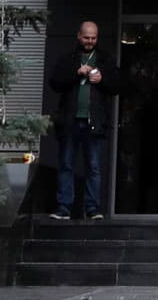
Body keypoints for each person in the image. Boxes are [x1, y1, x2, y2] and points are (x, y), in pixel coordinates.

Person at [47, 20, 116, 221]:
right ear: (79, 36)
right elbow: (55, 82)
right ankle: (64, 207)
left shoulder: (104, 59)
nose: (90, 41)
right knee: (66, 164)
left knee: (93, 167)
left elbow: (117, 85)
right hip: (70, 120)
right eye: (86, 37)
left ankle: (92, 208)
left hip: (94, 122)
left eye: (93, 38)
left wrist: (102, 80)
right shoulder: (69, 58)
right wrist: (76, 73)